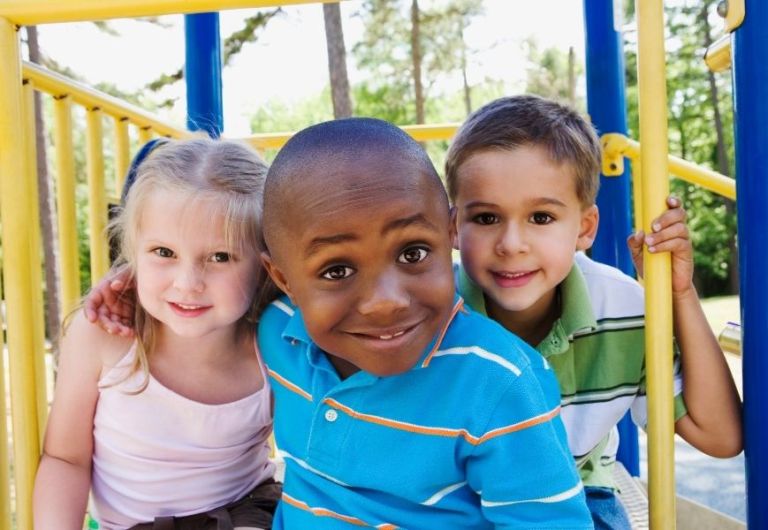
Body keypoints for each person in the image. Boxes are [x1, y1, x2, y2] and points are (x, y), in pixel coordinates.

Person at [85, 118, 593, 529]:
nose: (385, 301)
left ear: (450, 233)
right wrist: (129, 281)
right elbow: (209, 288)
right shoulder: (277, 329)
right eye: (337, 271)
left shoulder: (499, 384)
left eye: (413, 253)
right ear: (282, 280)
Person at [444, 94, 743, 528]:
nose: (511, 244)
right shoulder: (435, 314)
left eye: (541, 218)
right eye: (487, 218)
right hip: (459, 497)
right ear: (454, 227)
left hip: (578, 492)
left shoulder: (622, 310)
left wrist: (678, 295)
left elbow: (720, 436)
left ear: (585, 228)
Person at [34, 138, 281, 530]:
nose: (187, 283)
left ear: (266, 265)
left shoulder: (276, 342)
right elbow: (65, 458)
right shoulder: (104, 337)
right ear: (133, 254)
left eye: (220, 257)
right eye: (164, 253)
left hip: (243, 511)